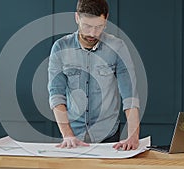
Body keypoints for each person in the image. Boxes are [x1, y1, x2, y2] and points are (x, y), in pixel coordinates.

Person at [48, 0, 140, 151]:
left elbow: (130, 95)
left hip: (108, 134)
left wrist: (133, 136)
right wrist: (67, 134)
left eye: (99, 27)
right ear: (77, 18)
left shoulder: (117, 47)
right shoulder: (60, 47)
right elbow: (56, 95)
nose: (92, 33)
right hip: (72, 135)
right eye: (87, 26)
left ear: (106, 19)